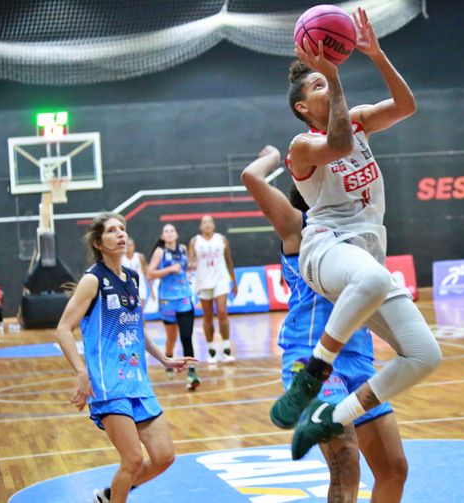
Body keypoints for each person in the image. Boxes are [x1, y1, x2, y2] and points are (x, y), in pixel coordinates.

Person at [273, 7, 442, 461]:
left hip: (367, 253)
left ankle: (332, 415)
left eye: (327, 80)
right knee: (372, 280)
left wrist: (377, 54)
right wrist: (336, 75)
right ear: (302, 108)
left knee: (425, 355)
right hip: (326, 248)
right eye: (317, 85)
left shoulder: (361, 121)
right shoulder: (302, 145)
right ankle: (314, 373)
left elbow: (406, 106)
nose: (326, 84)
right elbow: (342, 144)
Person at [242, 145, 408, 501]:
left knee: (394, 469)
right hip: (312, 358)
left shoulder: (361, 235)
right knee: (346, 464)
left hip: (359, 360)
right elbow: (251, 178)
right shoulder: (297, 228)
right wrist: (273, 155)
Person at [54, 212, 195, 503]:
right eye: (112, 231)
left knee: (164, 457)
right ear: (99, 242)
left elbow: (137, 327)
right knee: (131, 460)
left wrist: (165, 359)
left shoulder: (131, 277)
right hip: (109, 384)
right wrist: (82, 373)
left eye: (123, 229)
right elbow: (63, 330)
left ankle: (110, 495)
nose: (121, 234)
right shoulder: (93, 280)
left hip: (138, 382)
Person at [147, 224, 200, 391]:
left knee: (186, 336)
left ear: (176, 234)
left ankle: (192, 374)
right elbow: (150, 273)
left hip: (184, 297)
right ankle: (168, 357)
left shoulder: (183, 249)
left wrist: (190, 268)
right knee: (171, 338)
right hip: (167, 300)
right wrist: (170, 269)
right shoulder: (160, 252)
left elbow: (185, 269)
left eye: (172, 230)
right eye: (166, 231)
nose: (169, 233)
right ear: (163, 236)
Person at [188, 215, 238, 364]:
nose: (207, 224)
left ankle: (226, 348)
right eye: (204, 222)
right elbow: (190, 261)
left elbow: (229, 261)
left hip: (221, 280)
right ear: (201, 226)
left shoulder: (221, 239)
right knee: (207, 318)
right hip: (203, 281)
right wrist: (190, 267)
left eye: (209, 222)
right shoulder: (195, 241)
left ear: (214, 225)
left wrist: (234, 282)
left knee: (222, 313)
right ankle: (211, 350)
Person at [121, 237, 152, 311]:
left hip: (140, 287)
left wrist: (151, 290)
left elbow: (147, 273)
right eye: (127, 245)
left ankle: (142, 322)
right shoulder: (121, 258)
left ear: (134, 246)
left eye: (131, 245)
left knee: (140, 311)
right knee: (129, 312)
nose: (129, 247)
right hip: (126, 288)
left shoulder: (140, 257)